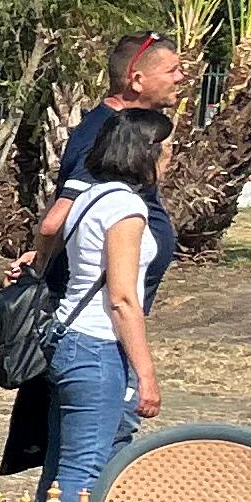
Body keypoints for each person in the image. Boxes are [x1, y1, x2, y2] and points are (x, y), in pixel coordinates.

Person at [37, 106, 168, 502]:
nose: (171, 157)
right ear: (147, 152)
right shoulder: (126, 208)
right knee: (85, 469)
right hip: (97, 346)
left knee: (61, 463)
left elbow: (47, 230)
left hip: (67, 336)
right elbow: (122, 298)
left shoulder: (90, 195)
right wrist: (146, 374)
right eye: (168, 149)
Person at [36, 30, 188, 300]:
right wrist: (39, 265)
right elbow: (53, 222)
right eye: (171, 70)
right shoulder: (107, 135)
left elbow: (65, 191)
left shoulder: (120, 126)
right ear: (137, 80)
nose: (180, 77)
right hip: (103, 309)